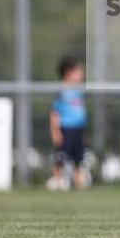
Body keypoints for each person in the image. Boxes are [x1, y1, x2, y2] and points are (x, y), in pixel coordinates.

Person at [48, 56, 88, 191]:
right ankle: (57, 181)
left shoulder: (80, 90)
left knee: (78, 159)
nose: (82, 74)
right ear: (68, 73)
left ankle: (78, 184)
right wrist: (55, 132)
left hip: (78, 129)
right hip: (65, 129)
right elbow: (55, 113)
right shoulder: (62, 91)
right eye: (78, 71)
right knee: (61, 157)